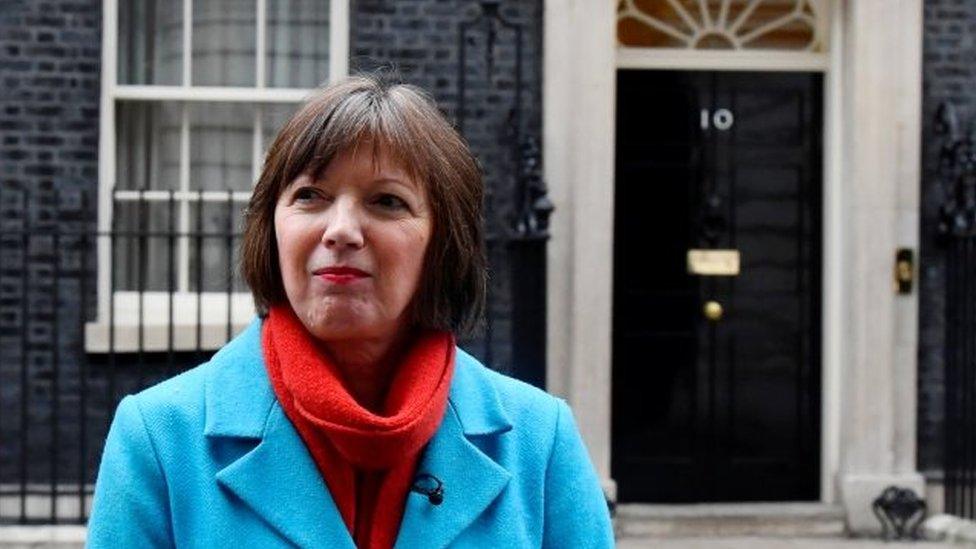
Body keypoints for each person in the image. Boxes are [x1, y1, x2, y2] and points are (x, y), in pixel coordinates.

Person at [86, 74, 613, 548]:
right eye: (310, 195)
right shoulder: (158, 438)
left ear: (442, 243)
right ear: (272, 228)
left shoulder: (540, 442)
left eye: (387, 201)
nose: (340, 229)